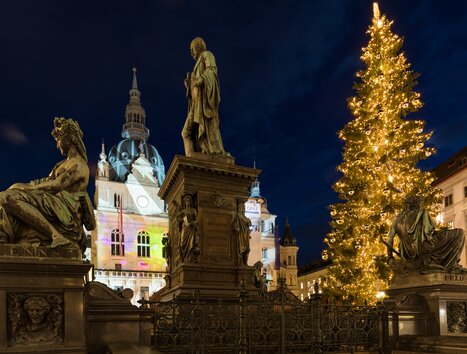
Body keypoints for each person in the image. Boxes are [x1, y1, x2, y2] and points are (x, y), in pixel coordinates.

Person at [0, 118, 95, 252]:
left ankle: (56, 235)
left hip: (65, 207)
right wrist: (20, 185)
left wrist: (28, 188)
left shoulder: (79, 165)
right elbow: (44, 182)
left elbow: (56, 185)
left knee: (8, 198)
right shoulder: (61, 164)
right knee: (5, 198)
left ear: (70, 138)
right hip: (52, 201)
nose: (57, 145)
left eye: (59, 140)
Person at [387, 196, 465, 274]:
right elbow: (429, 233)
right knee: (459, 233)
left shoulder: (396, 222)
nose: (420, 205)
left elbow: (389, 240)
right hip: (424, 247)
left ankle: (448, 267)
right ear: (416, 204)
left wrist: (389, 257)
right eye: (419, 203)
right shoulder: (421, 213)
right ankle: (450, 266)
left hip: (407, 252)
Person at [182, 37, 230, 157]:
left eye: (192, 48)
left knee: (186, 132)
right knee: (186, 133)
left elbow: (212, 70)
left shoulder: (207, 55)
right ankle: (193, 159)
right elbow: (194, 91)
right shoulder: (197, 64)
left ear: (198, 46)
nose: (191, 52)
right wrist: (189, 86)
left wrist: (202, 79)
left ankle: (197, 157)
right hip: (196, 104)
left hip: (203, 103)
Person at [178, 194, 200, 263]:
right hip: (185, 228)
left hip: (191, 229)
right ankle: (184, 257)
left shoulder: (193, 210)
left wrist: (193, 223)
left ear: (190, 202)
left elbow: (197, 219)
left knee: (191, 244)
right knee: (182, 244)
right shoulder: (183, 211)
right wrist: (179, 218)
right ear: (184, 202)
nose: (187, 202)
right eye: (186, 201)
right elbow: (179, 220)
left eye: (189, 201)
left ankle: (190, 258)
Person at [232, 200, 251, 265]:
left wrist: (248, 221)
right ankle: (241, 263)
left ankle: (244, 263)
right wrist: (247, 221)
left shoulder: (242, 215)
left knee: (247, 249)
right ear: (240, 207)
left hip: (245, 233)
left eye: (244, 207)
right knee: (242, 248)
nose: (244, 209)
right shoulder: (239, 214)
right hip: (241, 234)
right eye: (243, 207)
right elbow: (244, 221)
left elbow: (247, 222)